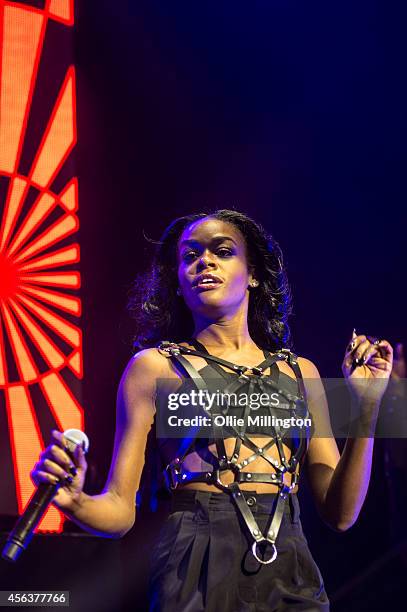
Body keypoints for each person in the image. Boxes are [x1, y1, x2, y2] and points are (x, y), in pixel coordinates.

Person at [31, 210, 393, 611]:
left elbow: (341, 514)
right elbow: (120, 510)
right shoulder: (153, 367)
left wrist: (368, 406)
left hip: (289, 563)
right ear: (179, 283)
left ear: (252, 274)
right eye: (190, 256)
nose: (204, 261)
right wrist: (75, 500)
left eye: (222, 251)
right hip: (194, 559)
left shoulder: (300, 372)